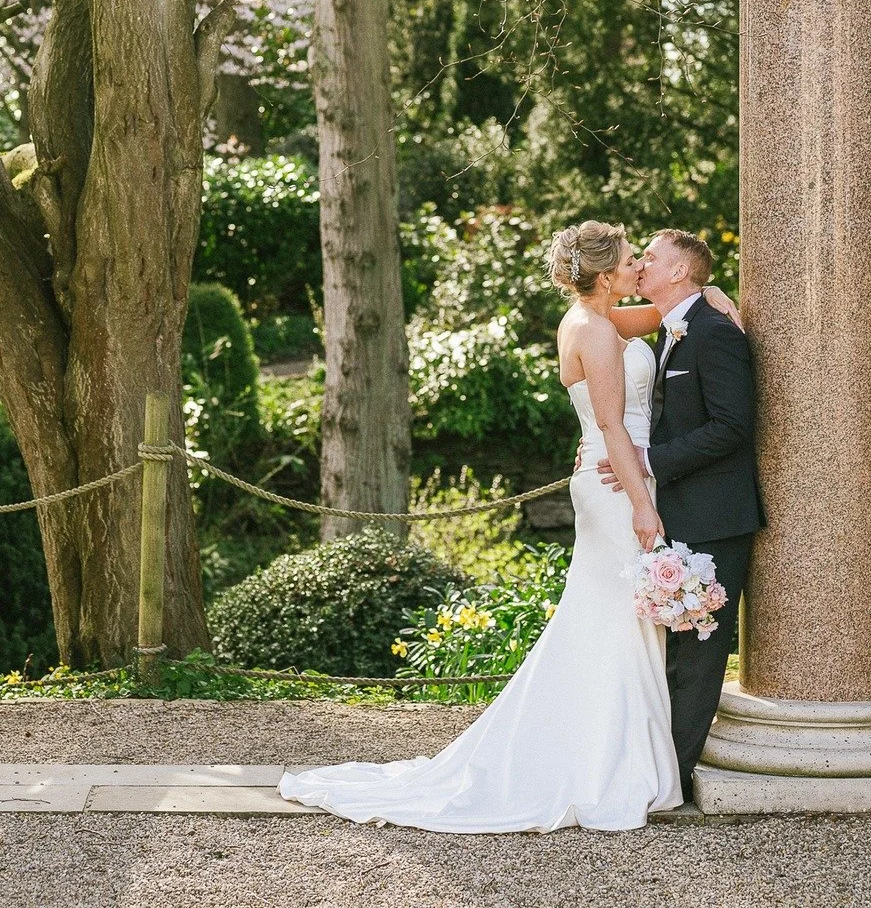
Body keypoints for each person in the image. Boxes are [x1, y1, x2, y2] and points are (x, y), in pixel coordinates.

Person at [279, 221, 737, 832]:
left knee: (617, 619)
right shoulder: (594, 331)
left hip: (624, 476)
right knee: (611, 618)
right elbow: (612, 430)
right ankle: (601, 763)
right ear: (604, 276)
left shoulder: (599, 319)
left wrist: (710, 298)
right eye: (630, 261)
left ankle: (620, 750)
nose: (637, 268)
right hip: (618, 485)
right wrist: (644, 507)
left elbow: (662, 321)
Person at [596, 228, 762, 786]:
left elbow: (733, 426)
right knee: (674, 649)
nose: (640, 263)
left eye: (651, 257)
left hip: (716, 516)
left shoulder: (715, 334)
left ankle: (674, 778)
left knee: (698, 656)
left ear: (679, 272)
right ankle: (658, 766)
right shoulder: (674, 327)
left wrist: (647, 459)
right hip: (679, 511)